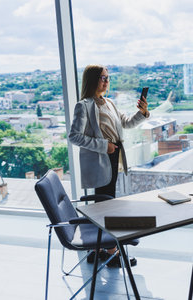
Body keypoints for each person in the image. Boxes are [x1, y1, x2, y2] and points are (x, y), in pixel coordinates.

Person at [69, 64, 150, 266]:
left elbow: (127, 123)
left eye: (108, 77)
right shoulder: (84, 106)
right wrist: (104, 146)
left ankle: (99, 250)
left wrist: (142, 113)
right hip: (101, 158)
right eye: (102, 78)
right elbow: (74, 137)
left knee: (107, 203)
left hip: (114, 157)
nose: (106, 81)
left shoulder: (110, 103)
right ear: (92, 80)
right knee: (105, 204)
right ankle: (111, 252)